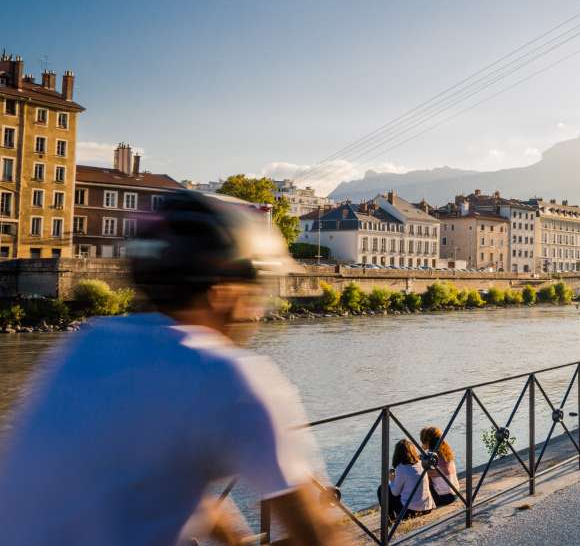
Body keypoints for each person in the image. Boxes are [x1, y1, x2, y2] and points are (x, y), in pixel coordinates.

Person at [0, 191, 346, 546]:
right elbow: (317, 535)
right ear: (223, 292)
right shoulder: (227, 373)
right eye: (256, 292)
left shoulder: (84, 344)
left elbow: (148, 485)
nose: (258, 313)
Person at [380, 439, 435, 521]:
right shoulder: (420, 463)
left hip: (411, 511)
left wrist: (392, 480)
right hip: (428, 507)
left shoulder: (401, 468)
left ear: (397, 454)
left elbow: (395, 493)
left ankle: (389, 521)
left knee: (382, 489)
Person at [420, 426, 460, 507]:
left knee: (419, 477)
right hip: (456, 493)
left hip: (442, 498)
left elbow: (422, 475)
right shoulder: (446, 451)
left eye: (423, 441)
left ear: (427, 442)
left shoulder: (431, 457)